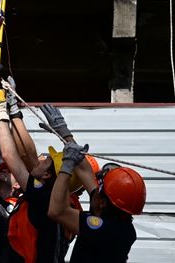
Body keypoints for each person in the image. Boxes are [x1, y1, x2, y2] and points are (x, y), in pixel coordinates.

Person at [45, 105, 146, 263]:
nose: (96, 182)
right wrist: (64, 134)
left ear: (104, 202)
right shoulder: (113, 211)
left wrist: (66, 166)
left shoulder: (107, 230)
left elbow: (57, 211)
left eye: (101, 185)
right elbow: (85, 171)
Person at [0, 80, 71, 263]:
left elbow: (11, 155)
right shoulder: (55, 195)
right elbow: (26, 155)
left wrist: (0, 111)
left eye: (47, 160)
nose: (42, 158)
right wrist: (13, 111)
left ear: (46, 175)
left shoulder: (42, 197)